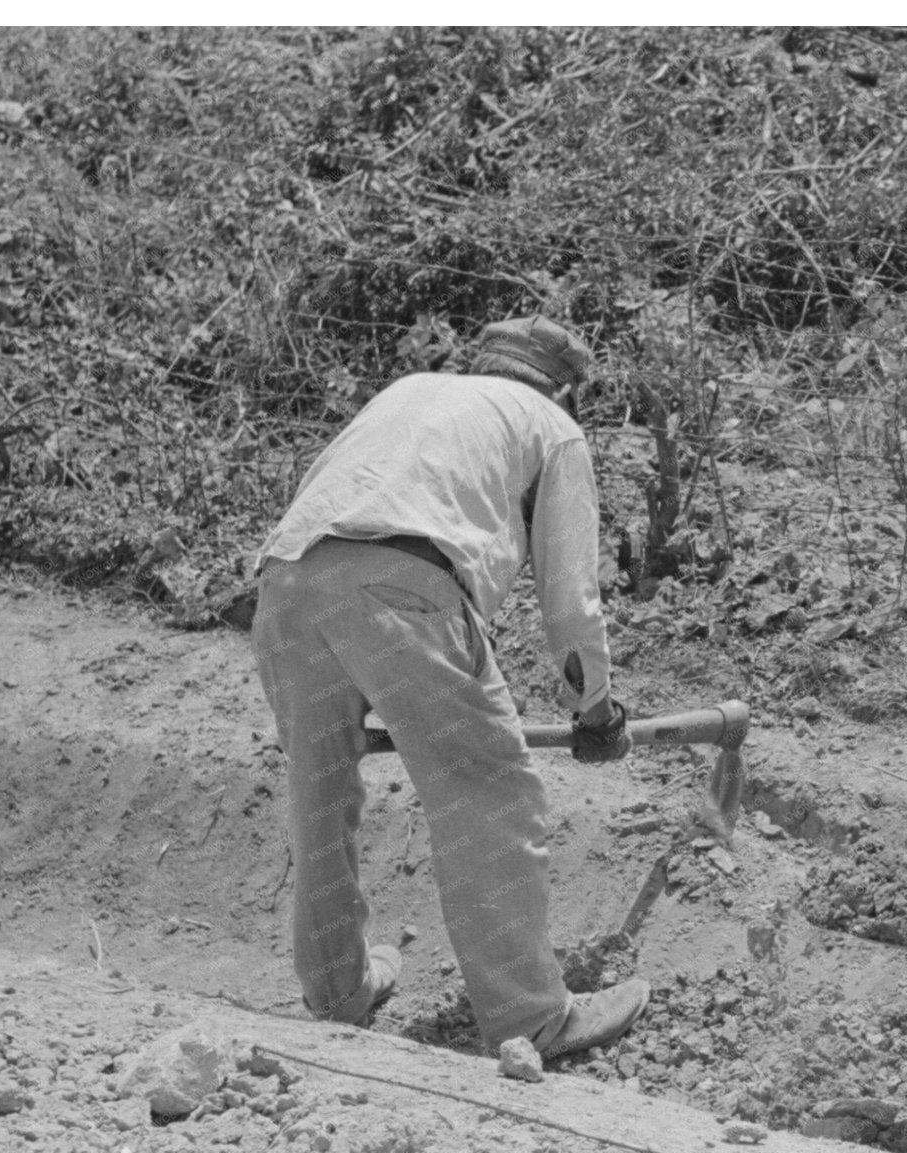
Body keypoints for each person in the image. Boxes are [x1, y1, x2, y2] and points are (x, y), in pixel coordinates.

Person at [250, 315, 650, 1058]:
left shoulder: (411, 390)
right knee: (489, 795)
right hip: (405, 589)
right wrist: (596, 708)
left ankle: (338, 990)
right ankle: (532, 1016)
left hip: (287, 582)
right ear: (565, 389)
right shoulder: (553, 427)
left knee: (322, 790)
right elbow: (570, 598)